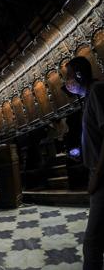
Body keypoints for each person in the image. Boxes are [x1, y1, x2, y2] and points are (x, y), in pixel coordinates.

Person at [63, 56, 104, 270]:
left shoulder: (96, 90)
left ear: (79, 75)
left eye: (68, 76)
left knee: (92, 243)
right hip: (96, 172)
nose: (66, 83)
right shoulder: (88, 97)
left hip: (102, 176)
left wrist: (96, 175)